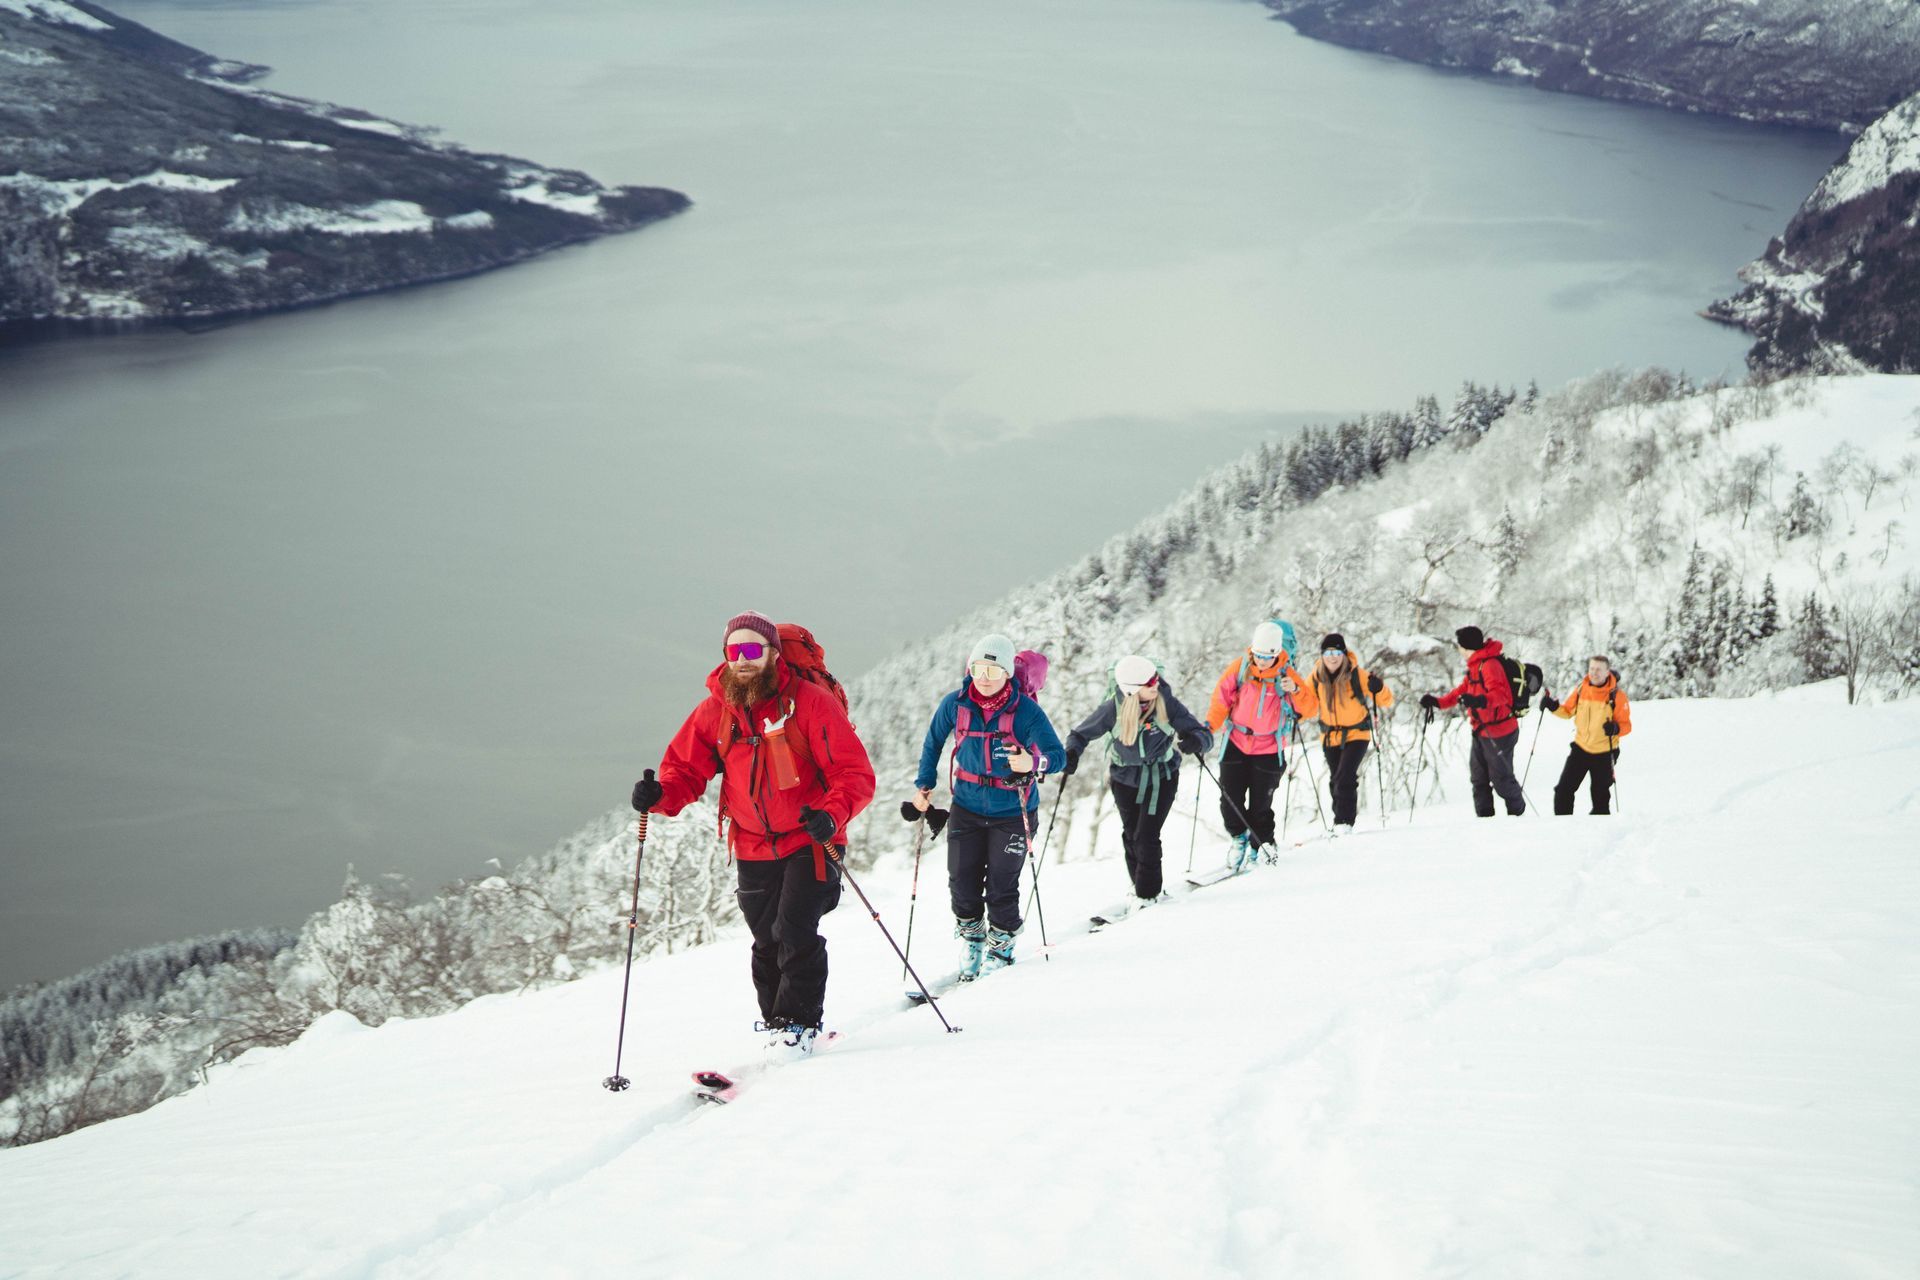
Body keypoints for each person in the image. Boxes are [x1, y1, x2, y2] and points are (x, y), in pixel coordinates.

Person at [631, 611, 875, 1056]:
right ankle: (776, 1027)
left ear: (772, 655)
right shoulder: (716, 710)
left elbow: (854, 773)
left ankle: (797, 1028)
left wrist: (831, 814)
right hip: (752, 843)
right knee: (766, 941)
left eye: (753, 650)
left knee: (795, 929)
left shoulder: (811, 703)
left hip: (811, 839)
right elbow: (686, 769)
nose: (743, 659)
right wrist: (659, 795)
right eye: (734, 651)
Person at [910, 633, 1064, 979]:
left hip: (1013, 810)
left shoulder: (1026, 710)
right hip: (965, 805)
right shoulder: (956, 704)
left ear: (1008, 673)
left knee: (1001, 885)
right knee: (961, 882)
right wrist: (924, 784)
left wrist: (1031, 764)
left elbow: (1057, 756)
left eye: (993, 671)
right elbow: (933, 742)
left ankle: (1002, 943)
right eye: (978, 668)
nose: (984, 677)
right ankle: (973, 938)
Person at [1063, 655, 1212, 904]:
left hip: (1162, 775)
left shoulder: (1166, 702)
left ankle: (1148, 895)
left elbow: (1201, 732)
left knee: (1146, 836)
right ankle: (1140, 887)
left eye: (1156, 678)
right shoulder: (1112, 709)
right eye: (1149, 682)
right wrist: (1071, 753)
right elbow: (1080, 734)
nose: (1156, 684)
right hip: (1124, 779)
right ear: (1132, 690)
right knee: (1131, 835)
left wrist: (1197, 741)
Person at [1207, 621, 1318, 867]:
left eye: (1267, 657)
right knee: (1229, 799)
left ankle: (1263, 843)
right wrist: (1206, 730)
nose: (1261, 662)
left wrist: (1296, 689)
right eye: (1257, 656)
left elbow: (1311, 708)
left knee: (1261, 804)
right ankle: (1239, 838)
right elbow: (1220, 701)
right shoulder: (1240, 668)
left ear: (1277, 653)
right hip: (1236, 742)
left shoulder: (1287, 675)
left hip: (1269, 748)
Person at [1419, 625, 1526, 817]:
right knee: (1478, 779)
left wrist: (1479, 701)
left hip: (1500, 731)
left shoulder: (1490, 665)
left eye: (1460, 646)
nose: (1458, 650)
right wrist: (1436, 702)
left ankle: (1517, 815)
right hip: (1481, 731)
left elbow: (1500, 696)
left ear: (1467, 647)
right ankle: (1485, 821)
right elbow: (1460, 693)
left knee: (1501, 779)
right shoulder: (1475, 667)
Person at [1306, 633, 1393, 834]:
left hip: (1357, 734)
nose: (1333, 657)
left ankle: (1344, 823)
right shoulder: (1316, 677)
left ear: (1344, 654)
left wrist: (1379, 688)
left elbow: (1386, 700)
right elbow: (1305, 703)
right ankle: (1339, 821)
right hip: (1329, 736)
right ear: (1322, 655)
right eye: (1328, 653)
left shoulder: (1357, 674)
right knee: (1335, 778)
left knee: (1345, 777)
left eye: (1337, 652)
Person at [1541, 655, 1632, 815]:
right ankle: (1563, 827)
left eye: (1598, 669)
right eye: (1591, 669)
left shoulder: (1617, 696)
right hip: (1581, 749)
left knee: (1600, 798)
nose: (1594, 673)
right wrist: (1553, 706)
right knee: (1563, 791)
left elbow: (1627, 726)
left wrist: (1615, 728)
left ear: (1607, 672)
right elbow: (1568, 711)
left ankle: (1599, 833)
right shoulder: (1582, 689)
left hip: (1604, 752)